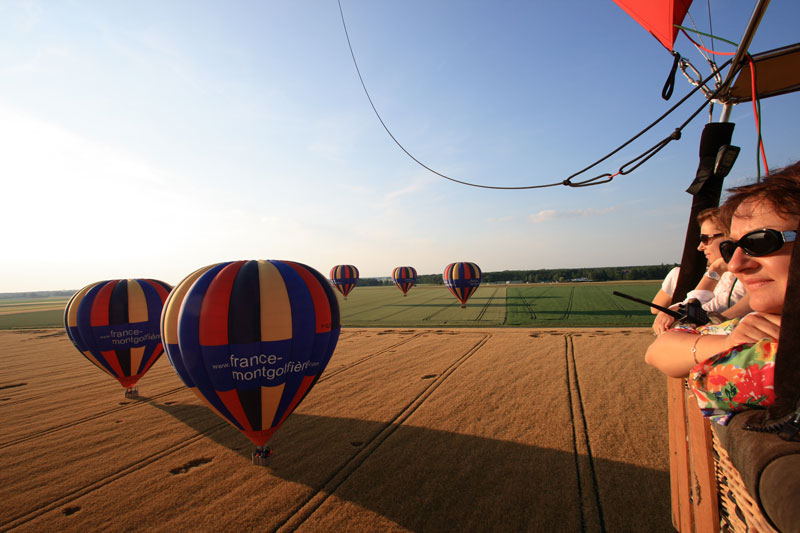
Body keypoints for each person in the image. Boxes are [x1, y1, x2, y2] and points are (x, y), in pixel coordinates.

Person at [645, 161, 800, 423]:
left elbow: (705, 379)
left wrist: (718, 353)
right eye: (732, 247)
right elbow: (657, 350)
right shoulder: (764, 323)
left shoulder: (771, 351)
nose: (738, 263)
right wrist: (727, 343)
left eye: (760, 241)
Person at [651, 207, 748, 334]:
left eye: (705, 239)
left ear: (730, 237)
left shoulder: (744, 278)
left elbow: (701, 315)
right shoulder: (724, 276)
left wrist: (714, 270)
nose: (700, 247)